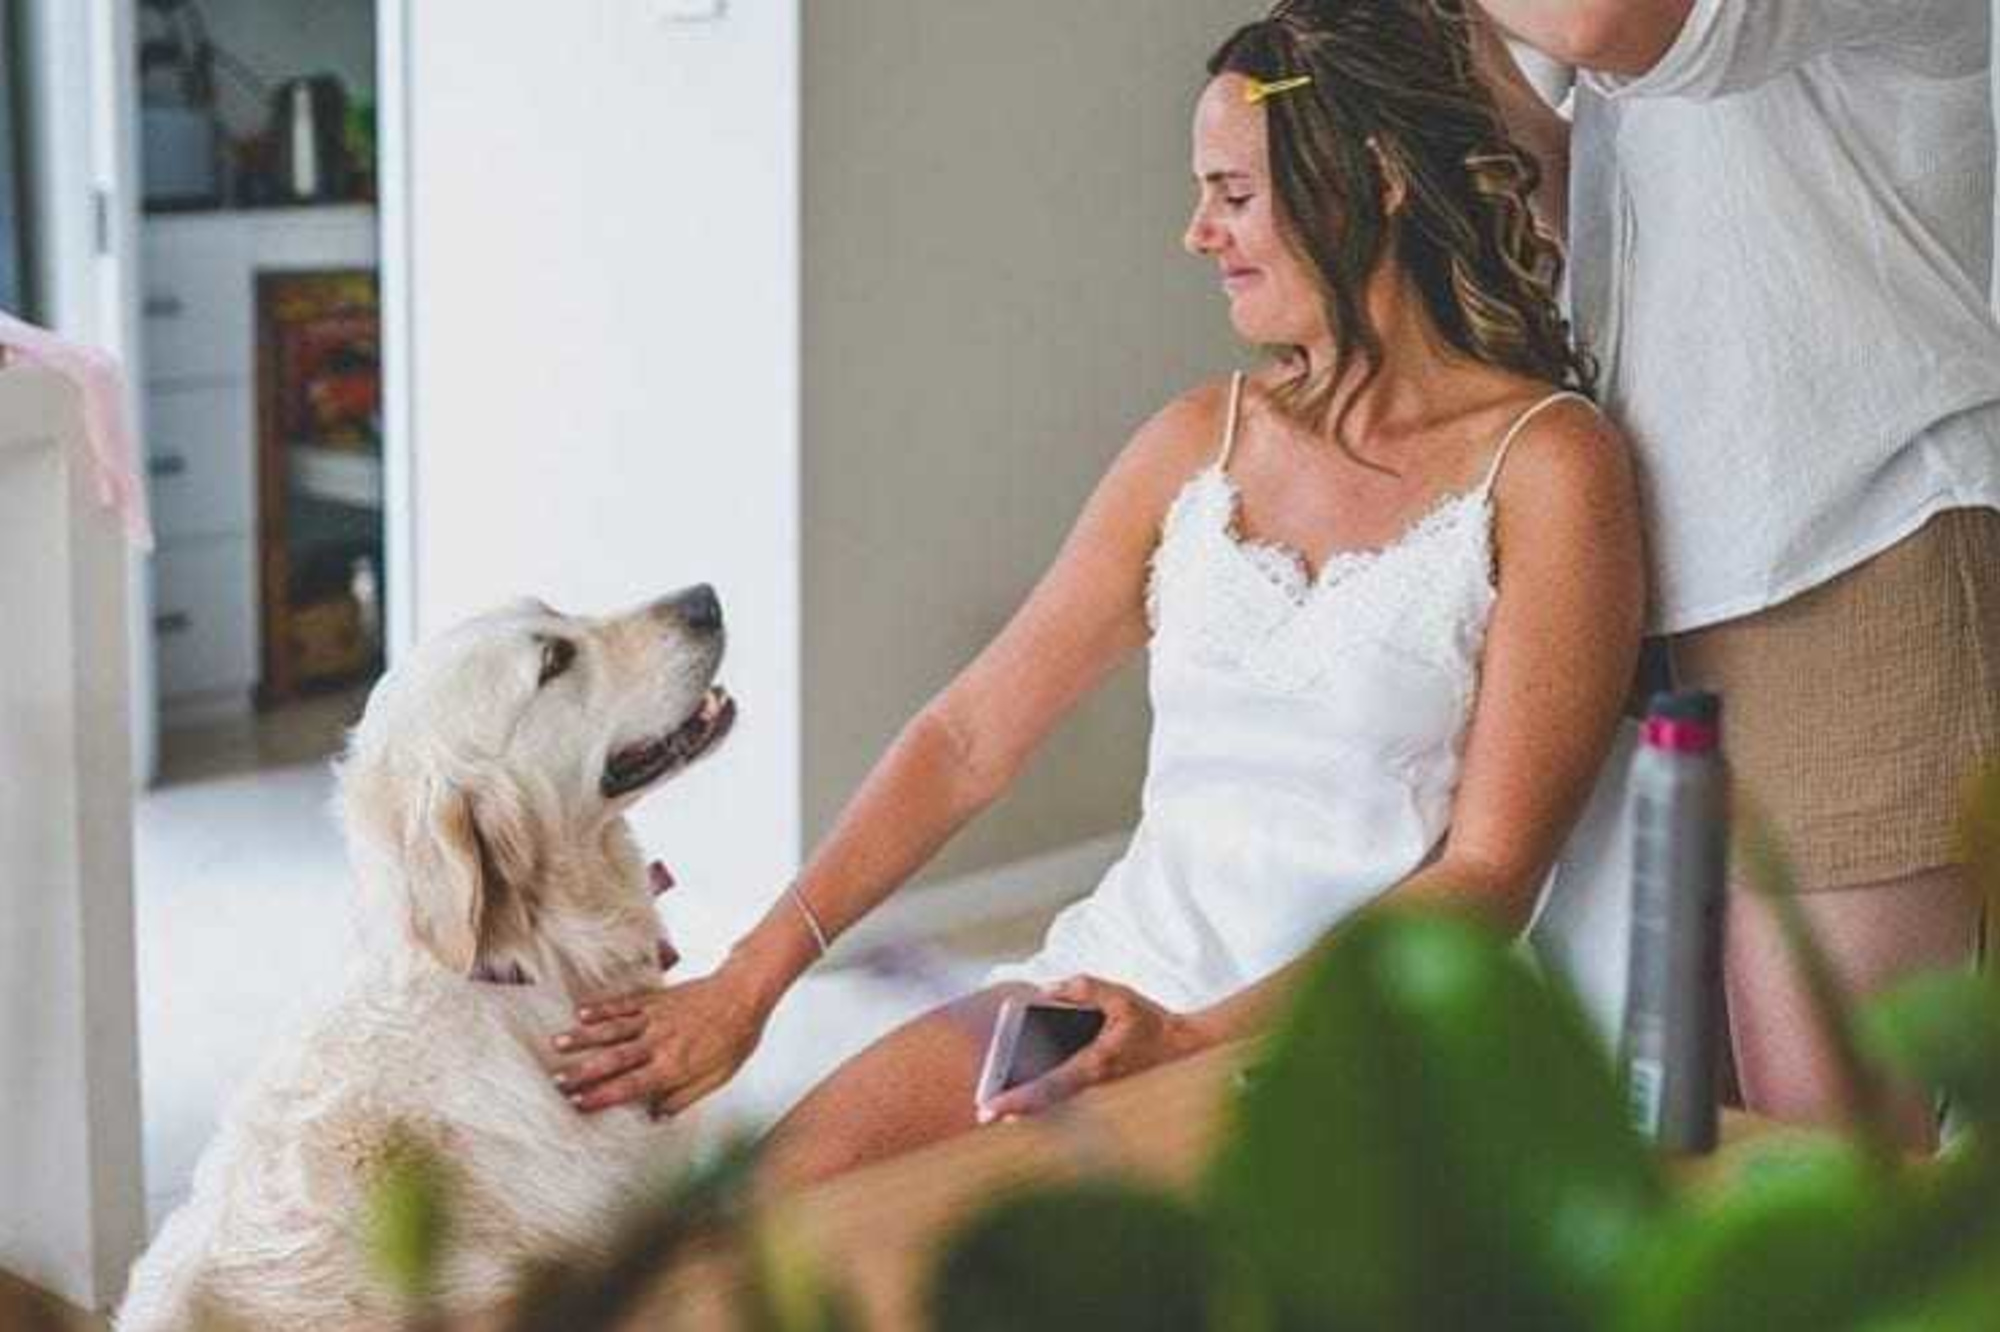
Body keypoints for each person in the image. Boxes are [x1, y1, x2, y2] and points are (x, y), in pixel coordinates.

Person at [551, 0, 1645, 1185]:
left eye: (1230, 193)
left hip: (1354, 1038)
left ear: (1370, 183)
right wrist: (750, 982)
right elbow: (969, 734)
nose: (1195, 232)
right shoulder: (1195, 442)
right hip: (1110, 984)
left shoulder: (1546, 465)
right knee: (768, 1217)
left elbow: (1486, 875)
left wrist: (1189, 1045)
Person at [1474, 0, 2000, 1148]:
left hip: (1850, 546)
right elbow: (1587, 204)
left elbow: (1599, 20)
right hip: (1679, 556)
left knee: (1828, 1147)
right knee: (1684, 1121)